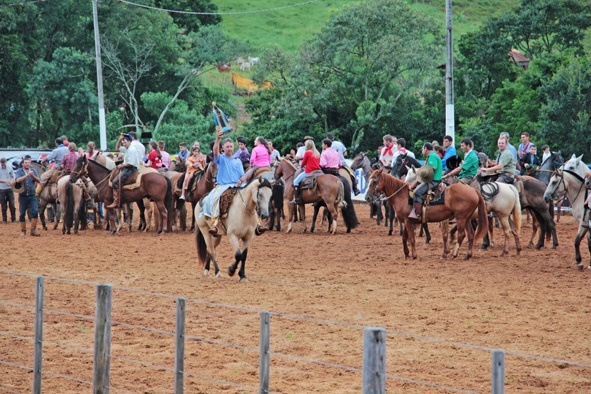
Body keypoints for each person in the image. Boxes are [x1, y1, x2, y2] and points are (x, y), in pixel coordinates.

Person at [200, 128, 266, 236]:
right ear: (223, 148)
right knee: (216, 198)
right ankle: (215, 223)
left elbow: (242, 175)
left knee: (253, 195)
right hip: (223, 186)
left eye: (231, 146)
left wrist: (242, 179)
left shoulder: (238, 161)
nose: (229, 149)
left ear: (233, 147)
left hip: (238, 185)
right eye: (227, 147)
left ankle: (258, 222)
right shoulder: (220, 158)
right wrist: (218, 138)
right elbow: (215, 151)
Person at [408, 143, 442, 221]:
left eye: (422, 149)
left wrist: (417, 181)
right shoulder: (431, 156)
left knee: (417, 192)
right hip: (432, 179)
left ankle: (417, 214)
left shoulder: (432, 156)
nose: (422, 151)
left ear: (426, 148)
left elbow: (433, 168)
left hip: (433, 181)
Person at [107, 134, 140, 209]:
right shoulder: (127, 148)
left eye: (125, 142)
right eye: (123, 143)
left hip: (131, 169)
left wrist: (121, 166)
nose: (124, 144)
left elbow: (130, 163)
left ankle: (116, 201)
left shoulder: (131, 149)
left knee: (115, 181)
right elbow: (117, 148)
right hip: (127, 167)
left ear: (129, 141)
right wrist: (120, 139)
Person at [14, 155, 41, 236]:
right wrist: (27, 175)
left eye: (28, 162)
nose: (27, 164)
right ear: (22, 164)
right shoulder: (19, 171)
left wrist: (32, 175)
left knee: (35, 211)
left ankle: (33, 230)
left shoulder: (33, 170)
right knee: (22, 213)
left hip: (32, 195)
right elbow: (18, 180)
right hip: (23, 195)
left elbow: (39, 180)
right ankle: (23, 230)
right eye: (25, 163)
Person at [292, 139, 321, 203]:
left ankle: (296, 198)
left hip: (309, 171)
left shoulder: (307, 152)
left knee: (295, 181)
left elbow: (303, 163)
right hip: (318, 171)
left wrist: (301, 166)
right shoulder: (317, 152)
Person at [0, 157, 16, 224]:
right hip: (1, 188)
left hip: (9, 188)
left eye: (4, 163)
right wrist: (3, 180)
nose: (3, 165)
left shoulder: (9, 167)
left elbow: (13, 177)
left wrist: (11, 182)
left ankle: (13, 219)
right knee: (3, 205)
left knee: (12, 204)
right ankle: (4, 220)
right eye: (2, 163)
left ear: (5, 162)